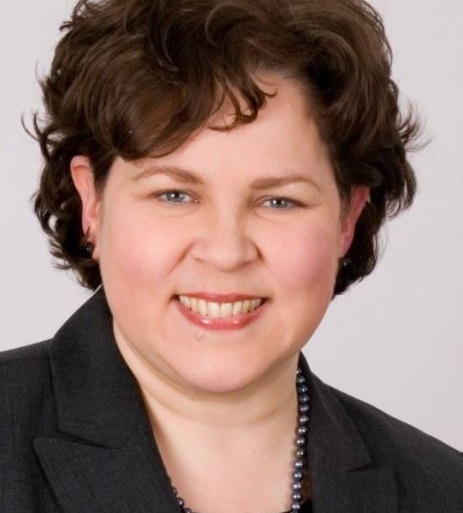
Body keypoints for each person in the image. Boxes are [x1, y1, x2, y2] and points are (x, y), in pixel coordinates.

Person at [1, 0, 462, 511]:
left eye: (279, 201)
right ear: (92, 201)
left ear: (347, 219)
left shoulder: (443, 491)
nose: (225, 253)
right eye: (174, 195)